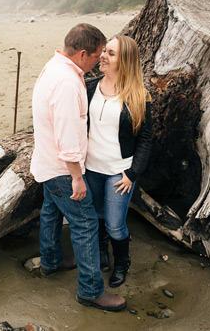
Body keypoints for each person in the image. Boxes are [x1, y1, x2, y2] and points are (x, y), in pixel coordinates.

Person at [30, 23, 126, 311]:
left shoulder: (54, 66)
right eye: (97, 56)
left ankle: (52, 261)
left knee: (50, 211)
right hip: (62, 167)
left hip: (46, 160)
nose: (99, 61)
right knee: (84, 225)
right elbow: (69, 136)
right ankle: (91, 290)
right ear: (83, 53)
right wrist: (77, 177)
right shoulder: (69, 83)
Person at [83, 35, 153, 288]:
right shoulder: (89, 86)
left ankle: (122, 262)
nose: (103, 55)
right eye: (105, 51)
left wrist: (132, 174)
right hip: (91, 169)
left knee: (115, 225)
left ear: (124, 61)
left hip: (118, 173)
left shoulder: (138, 96)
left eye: (111, 53)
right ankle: (102, 253)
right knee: (97, 217)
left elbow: (145, 139)